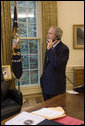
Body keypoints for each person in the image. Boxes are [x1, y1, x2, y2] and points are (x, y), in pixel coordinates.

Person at [40, 26, 69, 101]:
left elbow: (57, 64)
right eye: (48, 33)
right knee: (47, 109)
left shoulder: (64, 49)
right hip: (45, 85)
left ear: (57, 36)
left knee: (56, 110)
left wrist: (49, 50)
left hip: (55, 87)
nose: (47, 35)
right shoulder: (50, 46)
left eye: (50, 33)